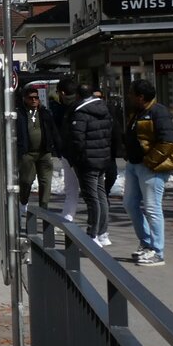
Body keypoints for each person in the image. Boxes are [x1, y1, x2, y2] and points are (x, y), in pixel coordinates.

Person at [123, 78, 173, 267]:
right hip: (134, 166)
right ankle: (146, 244)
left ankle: (157, 252)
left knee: (152, 208)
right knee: (130, 204)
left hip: (150, 168)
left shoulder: (158, 111)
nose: (129, 96)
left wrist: (151, 161)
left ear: (141, 97)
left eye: (132, 93)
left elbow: (169, 140)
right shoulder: (138, 112)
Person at [65, 83, 114, 246]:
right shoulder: (104, 110)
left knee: (91, 197)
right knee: (100, 195)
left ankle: (92, 233)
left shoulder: (80, 113)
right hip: (101, 158)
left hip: (87, 161)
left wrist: (76, 159)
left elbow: (77, 140)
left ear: (78, 95)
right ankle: (103, 233)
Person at [17, 87, 60, 212]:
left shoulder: (45, 112)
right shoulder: (19, 113)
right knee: (26, 180)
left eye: (36, 97)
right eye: (31, 98)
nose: (34, 100)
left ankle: (44, 207)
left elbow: (53, 130)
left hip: (44, 152)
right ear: (25, 99)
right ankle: (23, 201)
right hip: (27, 153)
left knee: (45, 181)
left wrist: (58, 148)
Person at [53, 78, 83, 223]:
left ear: (62, 93)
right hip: (80, 154)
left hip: (74, 154)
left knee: (75, 189)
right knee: (90, 192)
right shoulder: (82, 106)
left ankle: (98, 232)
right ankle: (67, 218)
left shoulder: (68, 109)